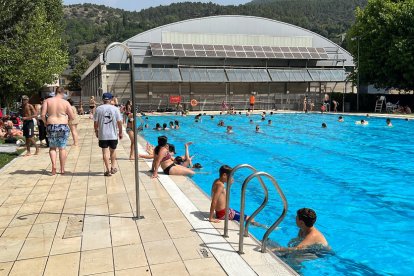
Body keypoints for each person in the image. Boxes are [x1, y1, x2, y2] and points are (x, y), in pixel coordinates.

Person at [41, 87, 75, 175]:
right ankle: (62, 169)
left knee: (52, 148)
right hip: (62, 125)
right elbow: (72, 116)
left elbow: (43, 115)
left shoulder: (47, 101)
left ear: (55, 92)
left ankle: (54, 166)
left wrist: (45, 123)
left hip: (51, 124)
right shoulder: (65, 102)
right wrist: (68, 121)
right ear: (63, 93)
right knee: (62, 148)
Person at [93, 93, 123, 177]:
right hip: (113, 134)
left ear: (103, 99)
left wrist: (96, 131)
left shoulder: (98, 109)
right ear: (111, 100)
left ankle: (108, 170)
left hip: (103, 134)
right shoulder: (115, 109)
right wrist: (120, 132)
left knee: (105, 152)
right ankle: (113, 167)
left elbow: (95, 122)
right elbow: (119, 122)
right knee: (112, 151)